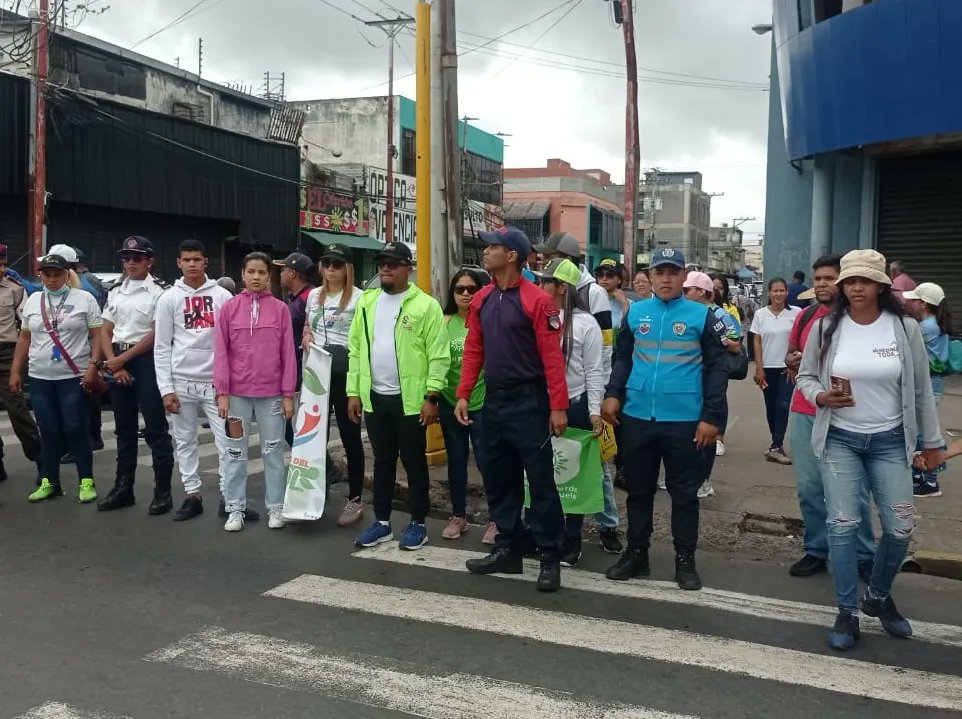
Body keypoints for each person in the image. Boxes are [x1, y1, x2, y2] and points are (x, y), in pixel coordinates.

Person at [796, 249, 943, 651]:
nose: (856, 287)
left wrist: (932, 443)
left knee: (899, 529)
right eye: (850, 281)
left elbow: (920, 390)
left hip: (891, 440)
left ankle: (876, 596)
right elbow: (805, 377)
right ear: (842, 286)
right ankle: (847, 610)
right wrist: (821, 395)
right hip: (840, 438)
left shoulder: (904, 328)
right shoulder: (826, 327)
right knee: (842, 526)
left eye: (864, 280)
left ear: (881, 285)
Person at [602, 248, 728, 591]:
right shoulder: (636, 312)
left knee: (684, 494)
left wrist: (712, 418)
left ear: (683, 275)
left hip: (686, 421)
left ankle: (684, 559)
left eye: (673, 272)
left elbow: (718, 369)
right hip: (637, 417)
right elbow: (623, 358)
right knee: (638, 491)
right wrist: (613, 394)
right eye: (660, 272)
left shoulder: (702, 316)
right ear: (652, 276)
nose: (666, 278)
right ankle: (636, 554)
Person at [457, 226, 568, 592]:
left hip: (530, 401)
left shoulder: (539, 301)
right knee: (497, 475)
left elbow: (553, 359)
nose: (486, 252)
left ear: (513, 256)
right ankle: (509, 545)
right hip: (495, 400)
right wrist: (463, 393)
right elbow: (474, 349)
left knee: (540, 483)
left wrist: (558, 407)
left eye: (494, 247)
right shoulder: (483, 299)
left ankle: (550, 555)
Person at [348, 242, 450, 551]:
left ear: (408, 268)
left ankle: (418, 523)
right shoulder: (368, 302)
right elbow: (356, 349)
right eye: (382, 262)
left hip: (411, 401)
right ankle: (381, 522)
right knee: (381, 461)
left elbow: (439, 354)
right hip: (376, 397)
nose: (386, 268)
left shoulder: (425, 305)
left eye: (394, 262)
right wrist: (354, 391)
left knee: (414, 461)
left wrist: (432, 395)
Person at [784, 255, 876, 579]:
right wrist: (793, 360)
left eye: (828, 278)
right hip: (805, 411)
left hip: (848, 417)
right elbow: (790, 356)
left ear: (843, 282)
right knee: (809, 488)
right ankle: (816, 550)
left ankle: (864, 554)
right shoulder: (806, 315)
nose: (821, 284)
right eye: (817, 278)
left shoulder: (863, 321)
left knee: (854, 491)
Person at [539, 258, 622, 562]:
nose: (541, 286)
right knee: (542, 474)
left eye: (546, 281)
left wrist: (594, 412)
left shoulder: (586, 324)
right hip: (542, 408)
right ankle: (544, 533)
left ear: (562, 287)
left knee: (576, 476)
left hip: (575, 407)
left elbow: (593, 371)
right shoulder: (537, 316)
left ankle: (572, 538)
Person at [9, 253, 104, 503]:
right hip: (40, 377)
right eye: (46, 274)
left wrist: (94, 365)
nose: (51, 280)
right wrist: (15, 370)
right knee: (48, 430)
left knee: (75, 427)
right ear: (41, 275)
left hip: (73, 376)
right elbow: (25, 338)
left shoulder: (84, 298)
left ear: (66, 274)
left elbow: (97, 336)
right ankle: (50, 482)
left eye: (57, 275)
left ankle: (86, 481)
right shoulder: (33, 301)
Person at [154, 240, 237, 522]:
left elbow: (232, 342)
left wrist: (229, 382)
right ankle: (192, 495)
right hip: (182, 381)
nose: (191, 264)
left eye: (196, 259)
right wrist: (166, 389)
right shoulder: (168, 299)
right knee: (185, 440)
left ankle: (229, 496)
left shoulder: (223, 297)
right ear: (178, 263)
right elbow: (162, 346)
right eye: (186, 259)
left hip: (216, 383)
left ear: (205, 262)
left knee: (226, 441)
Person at [214, 252, 296, 532]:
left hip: (271, 395)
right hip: (236, 396)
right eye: (252, 271)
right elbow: (221, 353)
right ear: (243, 274)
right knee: (235, 453)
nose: (257, 277)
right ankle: (235, 508)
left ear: (269, 276)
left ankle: (277, 507)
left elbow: (288, 354)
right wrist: (222, 391)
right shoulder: (229, 309)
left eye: (262, 272)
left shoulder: (281, 310)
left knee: (273, 453)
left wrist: (288, 394)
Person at [95, 236, 176, 515]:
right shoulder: (117, 290)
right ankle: (123, 488)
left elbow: (156, 334)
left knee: (155, 428)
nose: (130, 263)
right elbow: (106, 328)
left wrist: (121, 361)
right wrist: (113, 364)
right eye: (126, 258)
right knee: (124, 428)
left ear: (149, 261)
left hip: (145, 360)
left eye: (137, 257)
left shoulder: (161, 291)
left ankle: (163, 491)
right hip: (118, 358)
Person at [303, 243, 366, 527]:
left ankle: (355, 500)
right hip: (317, 371)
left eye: (337, 264)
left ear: (348, 269)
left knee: (350, 437)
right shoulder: (313, 296)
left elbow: (365, 342)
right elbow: (308, 325)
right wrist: (306, 336)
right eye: (327, 263)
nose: (331, 269)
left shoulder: (359, 299)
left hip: (346, 374)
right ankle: (314, 494)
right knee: (313, 437)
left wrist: (358, 384)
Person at [438, 268, 490, 541]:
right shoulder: (443, 322)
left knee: (486, 461)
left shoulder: (486, 320)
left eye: (472, 289)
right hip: (449, 402)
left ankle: (497, 520)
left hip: (482, 402)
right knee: (456, 462)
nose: (466, 294)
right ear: (452, 293)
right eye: (460, 289)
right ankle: (459, 516)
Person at [683, 271, 740, 500]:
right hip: (689, 380)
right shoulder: (684, 313)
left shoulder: (720, 316)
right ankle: (687, 477)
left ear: (703, 292)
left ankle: (704, 481)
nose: (685, 293)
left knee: (705, 431)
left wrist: (723, 343)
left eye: (689, 289)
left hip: (711, 379)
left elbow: (736, 343)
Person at [535, 232, 613, 376]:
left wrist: (602, 387)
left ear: (568, 260)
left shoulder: (594, 293)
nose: (543, 261)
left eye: (549, 256)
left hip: (582, 387)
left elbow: (606, 344)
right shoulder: (544, 288)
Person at [902, 282, 951, 498]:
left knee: (924, 436)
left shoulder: (925, 328)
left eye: (913, 300)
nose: (909, 302)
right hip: (935, 385)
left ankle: (929, 481)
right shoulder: (936, 323)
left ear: (923, 304)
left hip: (928, 386)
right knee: (923, 433)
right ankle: (923, 477)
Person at [0, 243, 42, 483]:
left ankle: (41, 459)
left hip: (7, 354)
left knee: (17, 409)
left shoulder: (14, 289)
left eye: (3, 265)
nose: (1, 269)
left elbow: (28, 325)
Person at [750, 278, 801, 464]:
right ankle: (775, 444)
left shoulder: (797, 313)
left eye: (782, 290)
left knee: (782, 405)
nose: (778, 294)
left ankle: (776, 446)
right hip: (767, 369)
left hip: (787, 369)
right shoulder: (761, 314)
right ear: (769, 293)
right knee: (771, 407)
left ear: (787, 292)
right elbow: (757, 341)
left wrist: (794, 363)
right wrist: (759, 367)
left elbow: (800, 338)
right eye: (775, 291)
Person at [274, 252, 316, 448]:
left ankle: (323, 466)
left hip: (303, 369)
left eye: (283, 270)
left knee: (296, 423)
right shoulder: (295, 298)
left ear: (292, 273)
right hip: (293, 368)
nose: (280, 274)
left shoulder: (311, 298)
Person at [710, 273, 742, 458]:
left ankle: (719, 437)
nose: (715, 291)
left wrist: (719, 340)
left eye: (719, 288)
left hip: (720, 364)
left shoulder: (726, 312)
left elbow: (735, 342)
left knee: (718, 398)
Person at [595, 259, 631, 334]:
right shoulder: (590, 300)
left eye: (610, 275)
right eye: (600, 275)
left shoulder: (628, 303)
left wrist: (625, 304)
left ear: (619, 280)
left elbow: (630, 329)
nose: (604, 278)